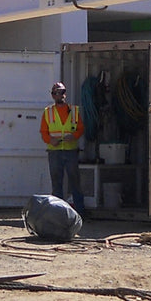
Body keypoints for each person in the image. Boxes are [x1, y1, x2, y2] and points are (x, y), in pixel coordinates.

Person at [40, 82, 86, 213]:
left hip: (71, 151)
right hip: (54, 152)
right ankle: (58, 213)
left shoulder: (74, 111)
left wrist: (74, 136)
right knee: (56, 184)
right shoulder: (48, 112)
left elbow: (80, 128)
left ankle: (80, 212)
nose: (58, 95)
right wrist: (50, 140)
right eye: (56, 93)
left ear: (64, 94)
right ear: (52, 95)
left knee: (75, 182)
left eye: (61, 92)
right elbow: (44, 132)